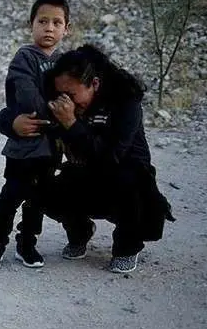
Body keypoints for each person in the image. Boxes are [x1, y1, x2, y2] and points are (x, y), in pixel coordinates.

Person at [42, 44, 175, 273]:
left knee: (129, 182)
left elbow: (112, 157)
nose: (67, 102)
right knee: (41, 185)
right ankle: (80, 232)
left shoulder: (125, 101)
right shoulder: (62, 101)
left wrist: (72, 125)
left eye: (72, 95)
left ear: (94, 83)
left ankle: (127, 247)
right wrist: (15, 123)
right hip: (85, 174)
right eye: (61, 95)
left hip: (126, 179)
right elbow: (16, 114)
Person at [0, 0, 71, 270]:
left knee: (37, 201)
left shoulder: (66, 63)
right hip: (24, 146)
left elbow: (72, 99)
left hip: (49, 149)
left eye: (57, 22)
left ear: (67, 28)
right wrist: (55, 116)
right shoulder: (24, 58)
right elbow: (28, 96)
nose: (49, 28)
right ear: (31, 24)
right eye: (43, 21)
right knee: (11, 196)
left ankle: (27, 245)